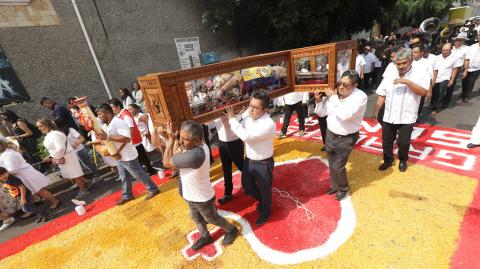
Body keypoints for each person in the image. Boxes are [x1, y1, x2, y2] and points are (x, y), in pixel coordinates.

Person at [162, 120, 239, 251]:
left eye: (184, 139)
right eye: (181, 137)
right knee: (196, 217)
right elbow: (175, 154)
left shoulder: (195, 155)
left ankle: (231, 230)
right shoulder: (194, 145)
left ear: (197, 140)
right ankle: (205, 236)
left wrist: (170, 141)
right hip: (190, 194)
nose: (181, 141)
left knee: (212, 218)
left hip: (202, 197)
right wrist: (176, 139)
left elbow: (167, 163)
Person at [373, 48, 430, 172]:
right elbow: (382, 93)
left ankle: (403, 159)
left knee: (403, 142)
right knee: (387, 141)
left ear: (410, 61)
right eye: (398, 64)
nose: (401, 66)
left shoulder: (420, 73)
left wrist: (407, 82)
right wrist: (376, 110)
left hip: (407, 116)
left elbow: (422, 92)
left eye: (404, 63)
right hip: (389, 114)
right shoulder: (390, 73)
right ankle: (388, 160)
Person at [314, 70, 367, 200]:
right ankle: (335, 185)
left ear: (355, 85)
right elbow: (321, 113)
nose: (341, 87)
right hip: (330, 133)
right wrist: (319, 101)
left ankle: (343, 187)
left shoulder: (360, 97)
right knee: (331, 163)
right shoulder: (335, 94)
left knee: (338, 166)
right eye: (340, 83)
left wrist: (332, 97)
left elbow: (345, 115)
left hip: (346, 137)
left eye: (345, 85)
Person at [225, 90, 276, 226]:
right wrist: (237, 115)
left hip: (263, 163)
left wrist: (232, 119)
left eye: (255, 107)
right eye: (250, 105)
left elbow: (246, 136)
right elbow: (239, 123)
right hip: (249, 160)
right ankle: (264, 201)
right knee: (247, 187)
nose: (251, 109)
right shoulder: (249, 116)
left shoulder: (268, 124)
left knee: (265, 190)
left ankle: (265, 211)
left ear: (265, 110)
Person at [95, 104, 160, 205]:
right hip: (118, 155)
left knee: (138, 174)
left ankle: (153, 189)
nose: (99, 116)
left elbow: (127, 138)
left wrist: (108, 137)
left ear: (108, 113)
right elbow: (107, 137)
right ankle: (127, 195)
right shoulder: (106, 124)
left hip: (127, 154)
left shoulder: (118, 122)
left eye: (100, 114)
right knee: (124, 176)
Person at [37, 119, 90, 199]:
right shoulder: (51, 134)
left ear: (47, 125)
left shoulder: (54, 134)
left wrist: (50, 156)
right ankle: (86, 182)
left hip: (67, 155)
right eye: (38, 127)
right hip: (63, 156)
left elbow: (61, 147)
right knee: (73, 174)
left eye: (41, 126)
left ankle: (83, 189)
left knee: (75, 174)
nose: (39, 128)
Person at [0, 139, 60, 210]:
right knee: (37, 190)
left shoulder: (7, 155)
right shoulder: (7, 153)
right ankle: (31, 209)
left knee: (39, 190)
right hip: (25, 174)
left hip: (25, 175)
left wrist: (3, 175)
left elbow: (12, 169)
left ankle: (55, 201)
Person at [108, 98, 157, 175]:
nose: (111, 109)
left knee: (141, 157)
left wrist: (127, 138)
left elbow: (131, 127)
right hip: (132, 140)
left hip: (133, 139)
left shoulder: (125, 114)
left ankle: (149, 171)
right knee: (141, 157)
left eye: (112, 107)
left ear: (117, 106)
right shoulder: (121, 115)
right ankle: (147, 171)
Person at [212, 116, 244, 204]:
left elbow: (239, 119)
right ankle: (228, 193)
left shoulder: (233, 106)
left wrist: (231, 116)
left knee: (241, 166)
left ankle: (250, 184)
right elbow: (207, 122)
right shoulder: (215, 110)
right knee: (226, 169)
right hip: (222, 143)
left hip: (235, 141)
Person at [431, 43, 457, 116]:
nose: (444, 51)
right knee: (434, 93)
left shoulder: (454, 58)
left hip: (445, 78)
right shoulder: (437, 58)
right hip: (435, 78)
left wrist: (451, 80)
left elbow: (454, 69)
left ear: (450, 50)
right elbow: (434, 69)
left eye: (446, 50)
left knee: (440, 93)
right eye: (443, 50)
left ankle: (435, 109)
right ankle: (433, 103)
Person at [444, 34, 469, 107]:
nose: (459, 41)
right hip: (446, 67)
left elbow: (466, 60)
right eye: (457, 40)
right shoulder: (450, 47)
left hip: (457, 69)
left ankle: (446, 101)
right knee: (442, 84)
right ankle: (439, 99)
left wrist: (465, 70)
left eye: (461, 40)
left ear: (463, 41)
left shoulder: (466, 48)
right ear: (455, 40)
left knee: (450, 85)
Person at [412, 45, 433, 117]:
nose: (413, 54)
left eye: (415, 52)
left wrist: (429, 90)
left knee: (419, 103)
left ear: (422, 52)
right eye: (412, 52)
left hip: (421, 87)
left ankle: (416, 117)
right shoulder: (409, 61)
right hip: (410, 86)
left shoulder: (427, 63)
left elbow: (429, 77)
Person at [461, 37, 480, 102]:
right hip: (467, 67)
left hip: (477, 68)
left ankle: (466, 96)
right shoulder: (472, 46)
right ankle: (463, 92)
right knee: (464, 81)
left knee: (471, 82)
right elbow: (466, 55)